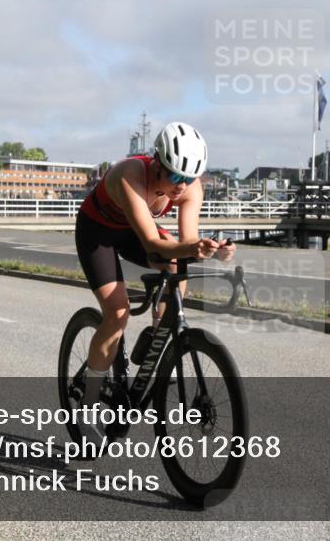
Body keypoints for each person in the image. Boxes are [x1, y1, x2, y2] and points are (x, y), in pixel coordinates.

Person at [74, 122, 235, 438]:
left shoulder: (190, 189)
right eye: (175, 176)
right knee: (117, 314)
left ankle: (160, 335)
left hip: (133, 232)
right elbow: (151, 243)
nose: (181, 186)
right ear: (157, 163)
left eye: (188, 178)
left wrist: (215, 252)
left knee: (177, 265)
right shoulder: (129, 174)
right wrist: (193, 248)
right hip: (98, 234)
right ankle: (87, 407)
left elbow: (187, 243)